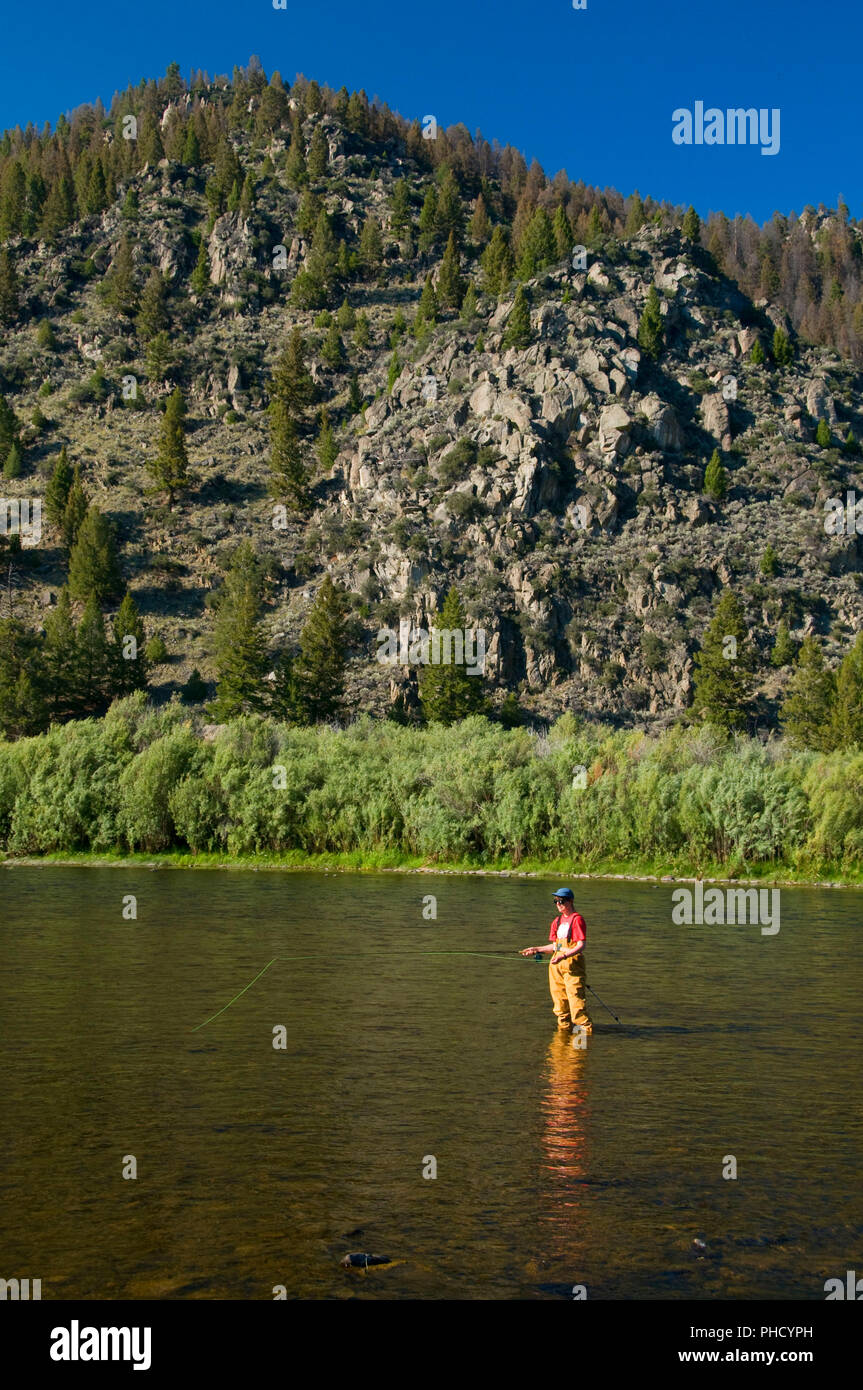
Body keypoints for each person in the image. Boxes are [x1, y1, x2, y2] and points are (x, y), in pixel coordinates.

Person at [520, 888, 592, 1035]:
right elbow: (556, 946)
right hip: (555, 968)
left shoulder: (577, 919)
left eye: (562, 901)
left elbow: (581, 945)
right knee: (560, 1007)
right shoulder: (557, 921)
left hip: (572, 966)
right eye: (556, 901)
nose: (558, 904)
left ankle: (582, 1046)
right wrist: (536, 949)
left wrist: (563, 956)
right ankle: (562, 1042)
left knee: (576, 1006)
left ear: (570, 901)